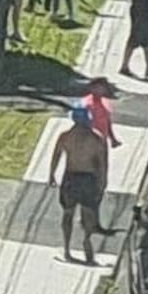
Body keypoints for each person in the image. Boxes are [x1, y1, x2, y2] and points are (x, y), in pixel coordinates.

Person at [48, 107, 108, 265]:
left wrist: (52, 174)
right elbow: (102, 164)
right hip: (88, 179)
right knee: (88, 213)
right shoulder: (96, 139)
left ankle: (67, 248)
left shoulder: (66, 137)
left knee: (68, 213)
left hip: (71, 177)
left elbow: (56, 156)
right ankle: (87, 240)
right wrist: (102, 182)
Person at [81, 78, 121, 234]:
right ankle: (89, 219)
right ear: (92, 88)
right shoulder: (86, 104)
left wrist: (112, 138)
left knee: (102, 181)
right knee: (91, 181)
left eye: (103, 88)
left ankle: (92, 216)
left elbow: (107, 122)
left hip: (103, 145)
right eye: (98, 87)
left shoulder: (105, 102)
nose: (101, 90)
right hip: (91, 146)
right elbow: (83, 126)